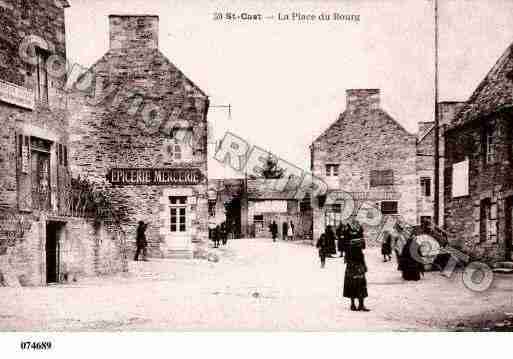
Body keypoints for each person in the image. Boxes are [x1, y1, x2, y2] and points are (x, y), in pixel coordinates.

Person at [343, 217, 369, 311]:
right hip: (354, 262)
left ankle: (357, 304)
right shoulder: (350, 234)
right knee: (356, 283)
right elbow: (345, 246)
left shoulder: (355, 234)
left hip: (354, 261)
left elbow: (363, 246)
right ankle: (356, 304)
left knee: (356, 283)